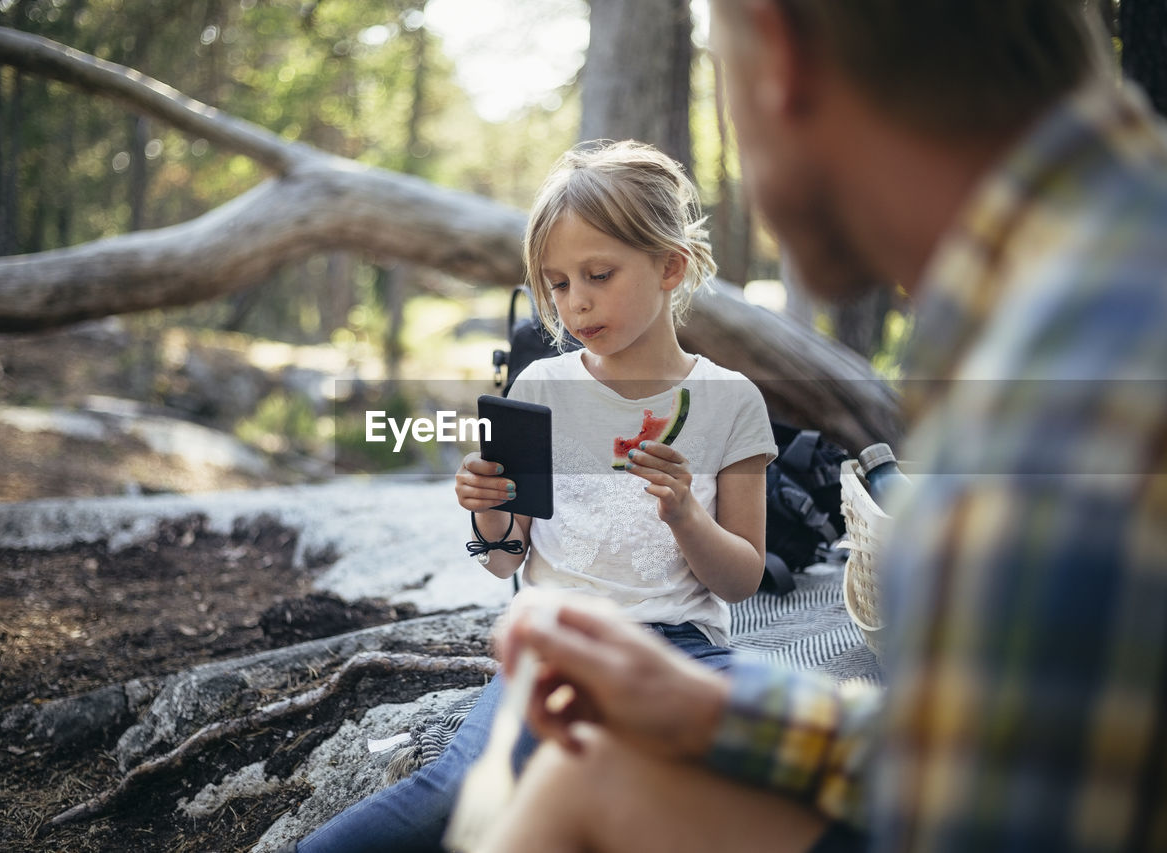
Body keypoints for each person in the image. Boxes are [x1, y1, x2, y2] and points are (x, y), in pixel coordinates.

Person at [484, 1, 1167, 852]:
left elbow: (986, 819)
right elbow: (999, 744)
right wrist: (709, 708)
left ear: (779, 54)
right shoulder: (1088, 274)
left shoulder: (1072, 375)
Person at [292, 140, 778, 852]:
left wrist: (686, 516)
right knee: (465, 786)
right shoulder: (541, 390)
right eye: (556, 283)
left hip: (682, 650)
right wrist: (484, 504)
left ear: (670, 266)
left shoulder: (731, 402)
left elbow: (742, 577)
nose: (574, 302)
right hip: (557, 643)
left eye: (598, 274)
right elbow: (503, 557)